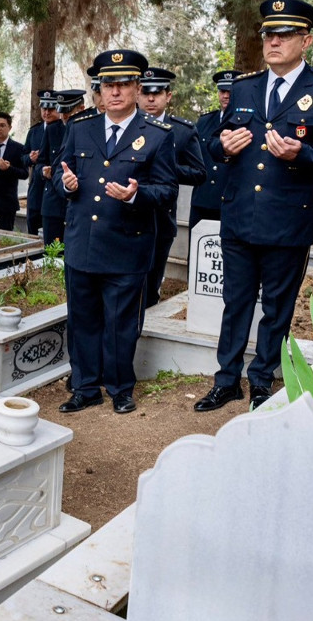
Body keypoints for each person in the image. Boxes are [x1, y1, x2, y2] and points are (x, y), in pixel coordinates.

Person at [195, 0, 313, 413]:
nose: (273, 41)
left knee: (276, 308)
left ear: (306, 41)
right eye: (269, 34)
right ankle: (226, 381)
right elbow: (216, 143)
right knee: (235, 303)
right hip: (239, 216)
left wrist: (303, 154)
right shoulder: (244, 86)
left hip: (288, 220)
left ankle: (262, 380)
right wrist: (223, 147)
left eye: (284, 35)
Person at [55, 49, 178, 414]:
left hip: (127, 248)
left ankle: (120, 388)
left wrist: (136, 194)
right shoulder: (80, 129)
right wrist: (66, 185)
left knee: (121, 325)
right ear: (100, 90)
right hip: (83, 245)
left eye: (123, 84)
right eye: (108, 84)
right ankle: (85, 387)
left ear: (137, 88)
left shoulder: (156, 135)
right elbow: (60, 176)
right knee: (82, 321)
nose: (115, 91)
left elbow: (168, 190)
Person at [138, 66, 207, 308]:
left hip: (160, 218)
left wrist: (165, 167)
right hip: (123, 215)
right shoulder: (125, 126)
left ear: (168, 96)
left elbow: (199, 173)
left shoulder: (182, 131)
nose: (150, 99)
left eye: (156, 93)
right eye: (145, 93)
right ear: (137, 94)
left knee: (150, 283)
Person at [189, 70, 238, 226]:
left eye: (231, 92)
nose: (226, 96)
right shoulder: (204, 121)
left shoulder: (246, 122)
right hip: (202, 201)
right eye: (223, 91)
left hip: (231, 203)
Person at [24, 91, 65, 236]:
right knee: (33, 227)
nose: (47, 113)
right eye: (44, 109)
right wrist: (30, 158)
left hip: (55, 189)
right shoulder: (34, 131)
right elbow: (23, 156)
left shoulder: (65, 129)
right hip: (37, 187)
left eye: (51, 109)